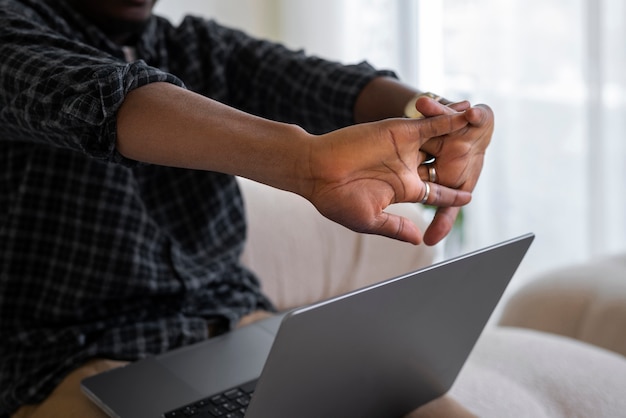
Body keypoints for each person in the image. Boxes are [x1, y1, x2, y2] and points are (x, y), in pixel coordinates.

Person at [0, 0, 494, 417]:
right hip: (73, 361)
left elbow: (328, 85)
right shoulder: (12, 31)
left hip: (235, 325)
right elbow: (102, 97)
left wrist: (441, 118)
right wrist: (306, 161)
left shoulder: (197, 47)